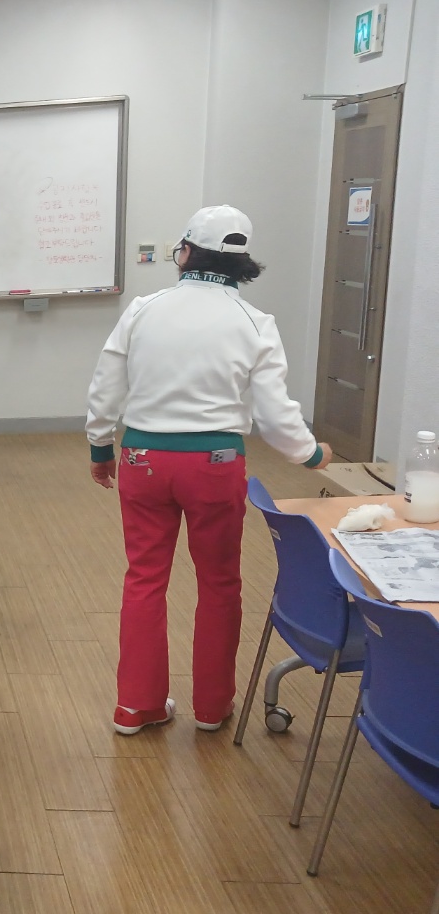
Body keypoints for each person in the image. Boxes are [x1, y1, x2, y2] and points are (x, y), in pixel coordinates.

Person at [85, 206, 333, 736]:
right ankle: (212, 707)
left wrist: (100, 447)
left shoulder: (144, 309)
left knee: (144, 578)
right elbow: (275, 416)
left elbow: (106, 386)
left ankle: (136, 706)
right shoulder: (254, 322)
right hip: (215, 466)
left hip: (143, 460)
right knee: (219, 582)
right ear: (242, 262)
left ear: (185, 251)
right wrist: (311, 454)